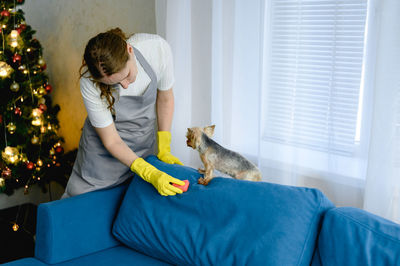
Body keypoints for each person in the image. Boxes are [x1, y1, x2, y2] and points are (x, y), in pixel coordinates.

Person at [62, 28, 185, 198]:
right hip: (102, 158)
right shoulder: (88, 81)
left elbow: (165, 98)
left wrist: (164, 147)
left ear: (130, 50)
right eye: (115, 84)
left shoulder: (156, 49)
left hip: (143, 147)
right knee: (85, 208)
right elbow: (112, 141)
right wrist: (147, 171)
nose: (125, 85)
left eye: (126, 75)